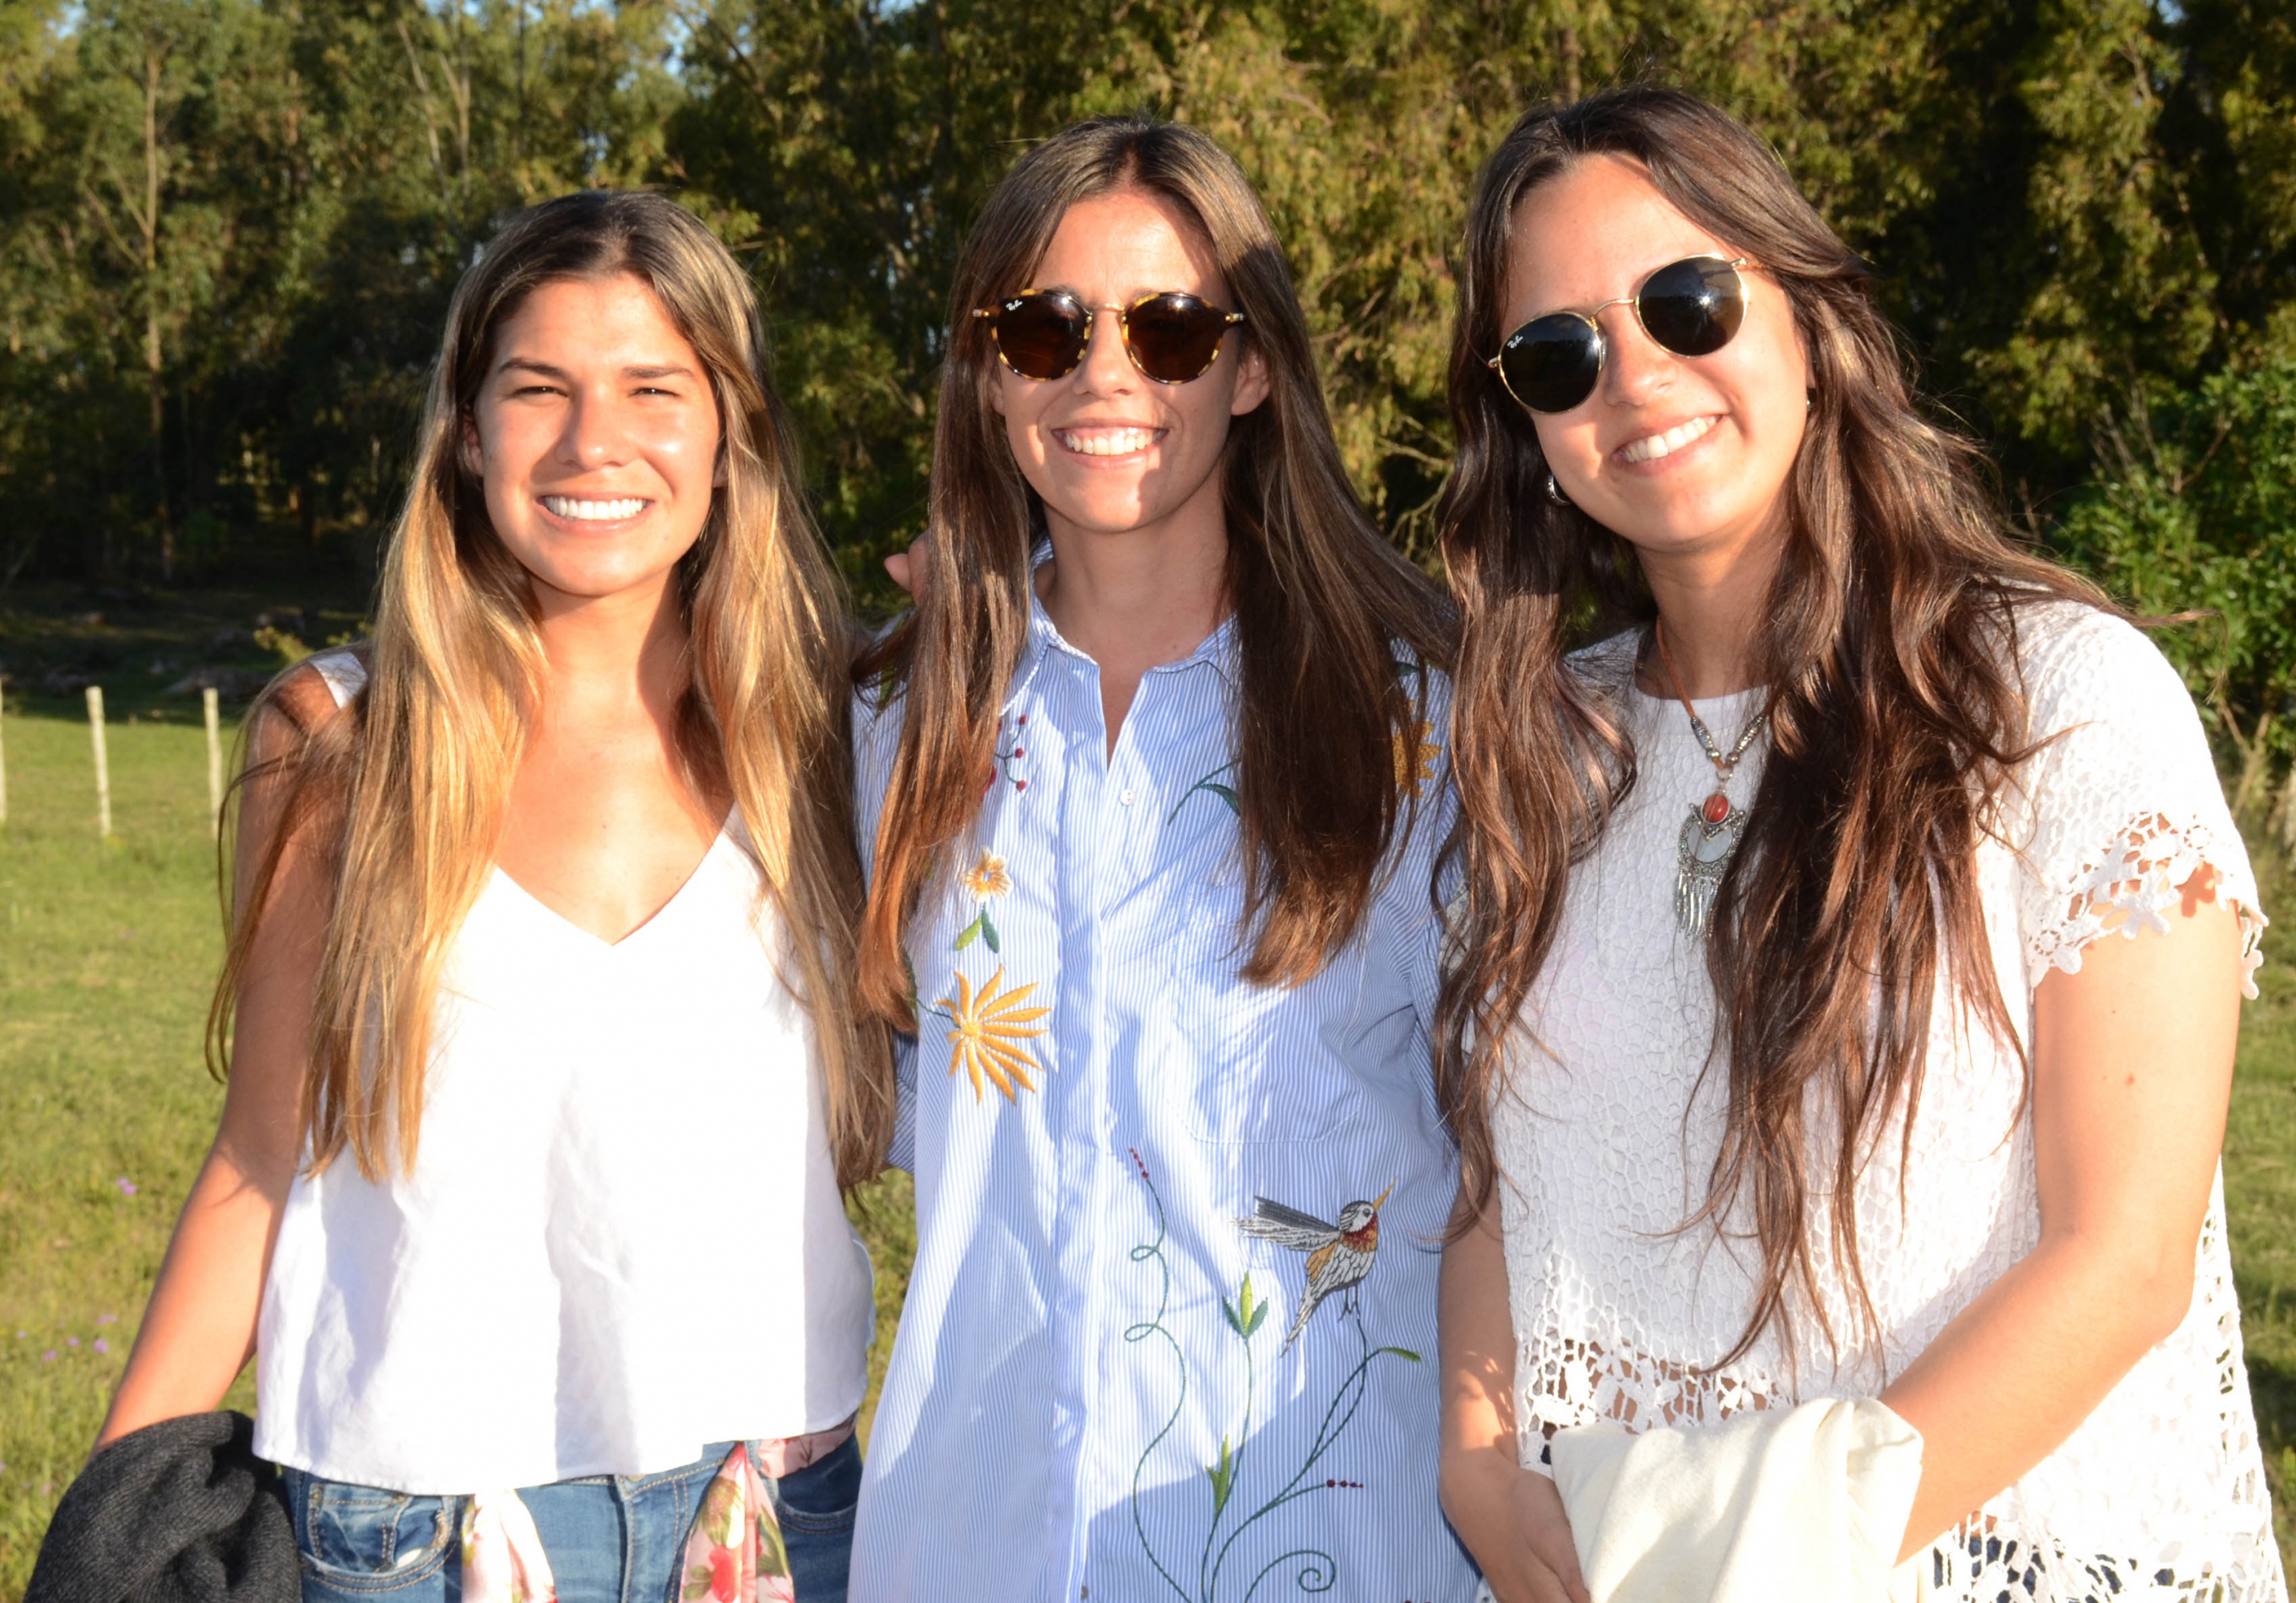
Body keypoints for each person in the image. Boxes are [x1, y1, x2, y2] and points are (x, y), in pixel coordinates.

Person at [1431, 88, 2283, 1603]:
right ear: (1525, 425)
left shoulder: (2053, 705)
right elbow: (1501, 1180)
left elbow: (2124, 1255)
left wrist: (1757, 1550)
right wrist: (1479, 1460)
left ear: (1811, 322)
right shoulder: (1536, 755)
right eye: (1559, 354)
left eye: (1685, 302)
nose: (1635, 380)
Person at [95, 190, 890, 1603]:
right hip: (412, 1533)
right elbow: (260, 1155)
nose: (596, 444)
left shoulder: (829, 729)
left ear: (731, 430)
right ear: (468, 433)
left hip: (769, 1508)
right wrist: (117, 1535)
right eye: (539, 390)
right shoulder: (341, 741)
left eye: (655, 389)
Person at [849, 116, 1476, 1600]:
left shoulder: (1433, 731)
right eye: (1046, 326)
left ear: (1251, 369)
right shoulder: (892, 726)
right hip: (974, 1541)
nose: (1104, 373)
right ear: (989, 372)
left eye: (1173, 327)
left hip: (1337, 1539)